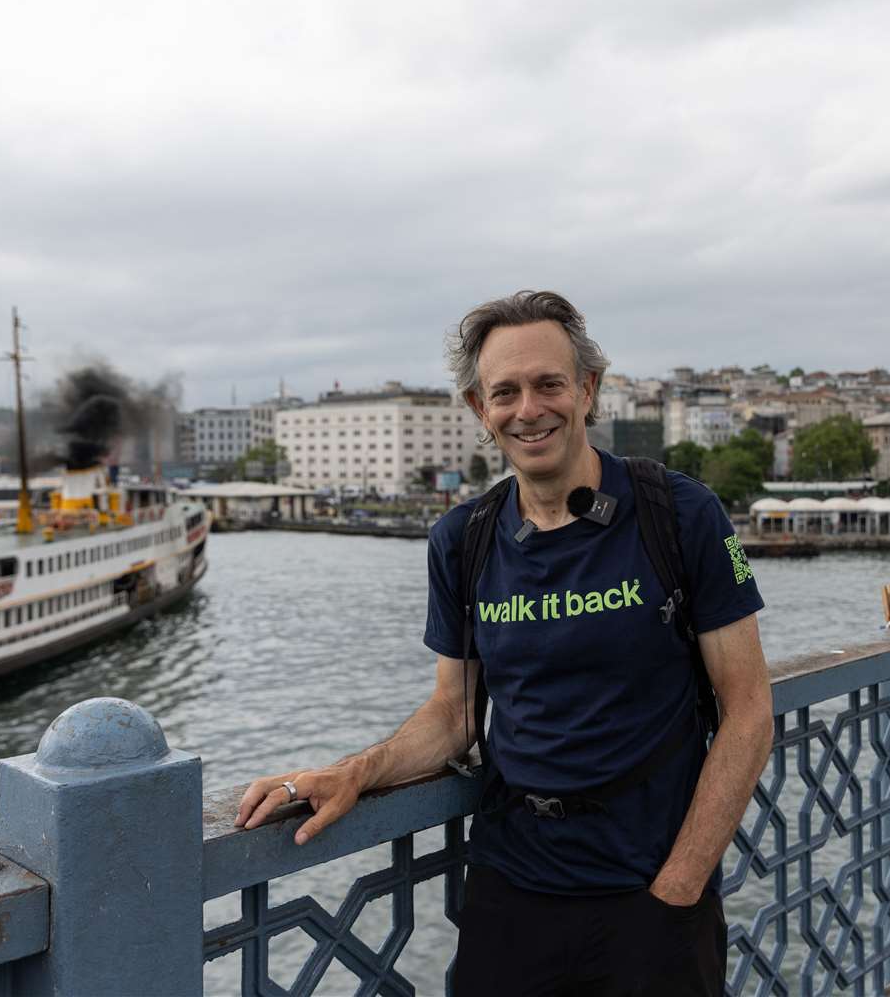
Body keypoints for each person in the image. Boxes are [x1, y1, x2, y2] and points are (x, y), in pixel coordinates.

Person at [237, 290, 773, 995]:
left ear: (587, 389)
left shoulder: (680, 514)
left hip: (653, 889)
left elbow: (747, 710)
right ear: (477, 409)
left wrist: (678, 885)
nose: (529, 409)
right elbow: (455, 713)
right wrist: (356, 772)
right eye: (505, 392)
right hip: (511, 888)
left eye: (549, 384)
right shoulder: (463, 540)